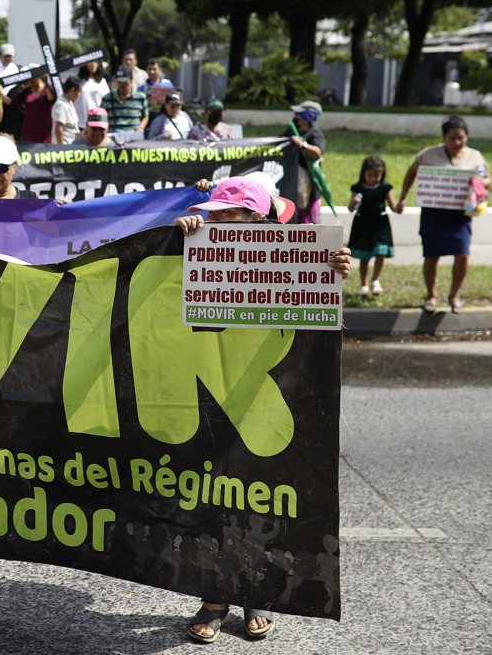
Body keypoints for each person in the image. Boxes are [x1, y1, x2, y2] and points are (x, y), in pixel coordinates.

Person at [171, 176, 349, 643]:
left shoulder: (289, 252)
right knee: (211, 497)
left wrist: (331, 268)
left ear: (257, 218)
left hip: (268, 398)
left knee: (259, 496)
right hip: (206, 393)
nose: (219, 222)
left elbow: (313, 315)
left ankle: (256, 594)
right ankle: (214, 598)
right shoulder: (196, 243)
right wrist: (175, 237)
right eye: (215, 215)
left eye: (229, 215)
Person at [394, 115, 490, 314]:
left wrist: (478, 183)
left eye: (461, 138)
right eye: (452, 138)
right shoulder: (429, 155)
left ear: (467, 137)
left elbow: (487, 179)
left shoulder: (475, 157)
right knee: (431, 255)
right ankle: (431, 295)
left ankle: (454, 295)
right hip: (433, 213)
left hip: (460, 214)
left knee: (463, 254)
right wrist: (403, 197)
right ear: (444, 137)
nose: (457, 142)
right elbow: (412, 172)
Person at [348, 155, 396, 296]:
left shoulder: (385, 188)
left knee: (380, 252)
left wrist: (400, 206)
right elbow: (350, 208)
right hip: (363, 224)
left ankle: (375, 280)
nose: (373, 178)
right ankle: (363, 284)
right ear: (364, 174)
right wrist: (354, 202)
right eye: (369, 175)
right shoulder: (358, 188)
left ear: (382, 175)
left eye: (376, 175)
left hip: (380, 224)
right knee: (365, 255)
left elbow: (394, 207)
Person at [282, 100, 326, 224]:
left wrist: (302, 145)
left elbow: (318, 152)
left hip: (309, 187)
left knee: (309, 223)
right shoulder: (293, 131)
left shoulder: (316, 133)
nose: (296, 117)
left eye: (299, 114)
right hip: (293, 183)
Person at [2, 72, 55, 144]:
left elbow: (51, 99)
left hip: (44, 129)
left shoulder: (48, 89)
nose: (30, 81)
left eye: (32, 79)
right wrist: (0, 94)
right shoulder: (27, 91)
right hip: (29, 130)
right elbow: (12, 102)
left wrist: (46, 84)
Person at [100, 67, 147, 134]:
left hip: (134, 135)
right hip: (113, 136)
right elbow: (101, 117)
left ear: (131, 80)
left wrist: (142, 126)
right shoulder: (107, 98)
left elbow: (146, 115)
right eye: (119, 81)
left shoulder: (141, 97)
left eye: (124, 81)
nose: (122, 84)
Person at [52, 77, 82, 144]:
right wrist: (62, 148)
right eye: (79, 92)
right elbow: (59, 128)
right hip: (64, 146)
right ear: (72, 91)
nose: (79, 95)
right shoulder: (60, 104)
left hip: (72, 143)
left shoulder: (69, 102)